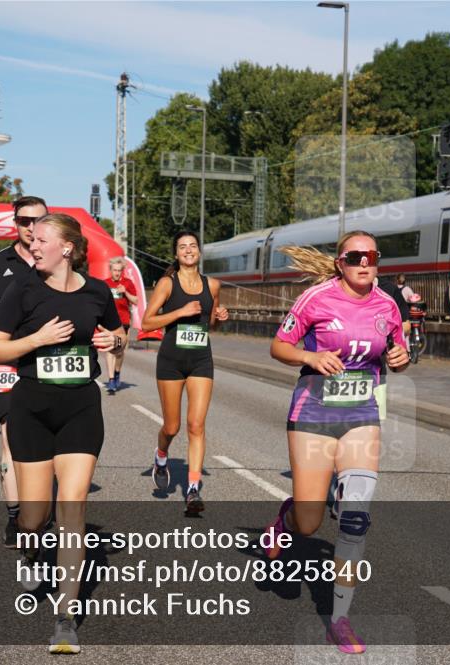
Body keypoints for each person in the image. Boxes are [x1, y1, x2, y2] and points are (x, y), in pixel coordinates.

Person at [0, 212, 126, 655]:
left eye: (41, 238)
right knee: (33, 518)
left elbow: (121, 333)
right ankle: (29, 551)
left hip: (81, 408)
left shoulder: (98, 291)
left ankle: (65, 618)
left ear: (67, 247)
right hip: (32, 410)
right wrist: (37, 340)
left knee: (73, 509)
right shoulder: (20, 290)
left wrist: (113, 343)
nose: (33, 243)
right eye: (31, 237)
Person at [262, 231, 409, 654]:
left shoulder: (387, 304)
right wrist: (309, 357)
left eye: (372, 256)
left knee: (355, 518)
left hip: (362, 416)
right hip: (313, 415)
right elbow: (278, 345)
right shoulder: (317, 299)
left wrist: (400, 359)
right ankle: (286, 519)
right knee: (309, 523)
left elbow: (397, 351)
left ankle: (340, 620)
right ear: (340, 263)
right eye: (356, 257)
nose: (365, 263)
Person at [0, 195, 47, 547]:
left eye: (39, 220)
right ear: (14, 222)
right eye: (24, 221)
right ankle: (14, 515)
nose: (31, 227)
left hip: (47, 361)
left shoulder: (58, 258)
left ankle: (39, 506)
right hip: (6, 360)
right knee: (10, 438)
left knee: (43, 444)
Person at [141, 231, 228, 514]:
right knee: (172, 427)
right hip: (171, 361)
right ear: (176, 254)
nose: (188, 250)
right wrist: (179, 312)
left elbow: (211, 325)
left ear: (199, 251)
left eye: (192, 246)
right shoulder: (168, 283)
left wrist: (221, 317)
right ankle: (162, 455)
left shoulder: (212, 285)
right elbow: (147, 321)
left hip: (201, 360)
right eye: (182, 247)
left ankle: (192, 489)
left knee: (196, 425)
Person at [102, 257, 138, 394]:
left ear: (122, 271)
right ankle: (111, 379)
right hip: (108, 321)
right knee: (110, 349)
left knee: (119, 351)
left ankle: (117, 372)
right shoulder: (105, 284)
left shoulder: (127, 283)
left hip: (123, 322)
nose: (117, 273)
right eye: (114, 270)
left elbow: (136, 300)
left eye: (119, 271)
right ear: (110, 270)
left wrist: (125, 292)